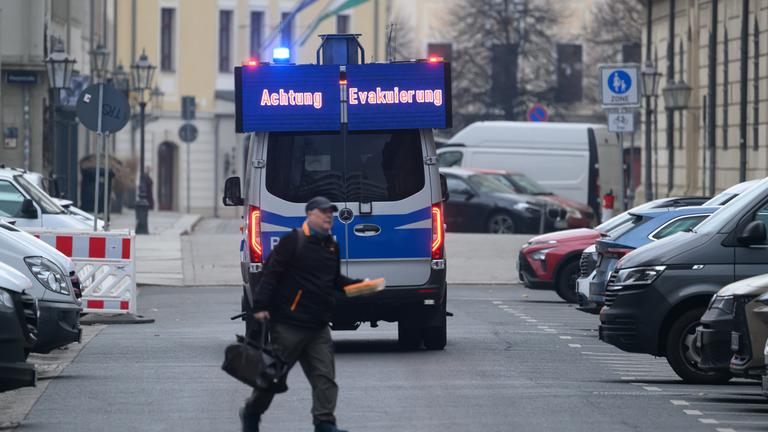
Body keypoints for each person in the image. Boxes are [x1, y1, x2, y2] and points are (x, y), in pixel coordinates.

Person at [241, 196, 359, 432]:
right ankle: (252, 412)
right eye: (323, 212)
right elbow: (271, 274)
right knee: (273, 378)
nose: (329, 217)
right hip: (288, 325)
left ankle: (324, 422)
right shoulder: (292, 241)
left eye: (331, 213)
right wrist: (260, 306)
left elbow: (334, 280)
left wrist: (360, 286)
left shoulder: (331, 246)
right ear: (310, 214)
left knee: (325, 377)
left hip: (318, 326)